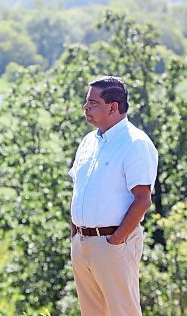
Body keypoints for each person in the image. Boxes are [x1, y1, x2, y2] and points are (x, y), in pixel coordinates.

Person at [68, 76, 158, 316]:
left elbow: (143, 199)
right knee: (93, 313)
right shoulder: (89, 141)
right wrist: (75, 235)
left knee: (123, 311)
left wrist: (115, 241)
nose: (85, 107)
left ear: (113, 107)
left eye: (93, 102)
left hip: (114, 243)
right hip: (82, 244)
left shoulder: (135, 143)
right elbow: (78, 190)